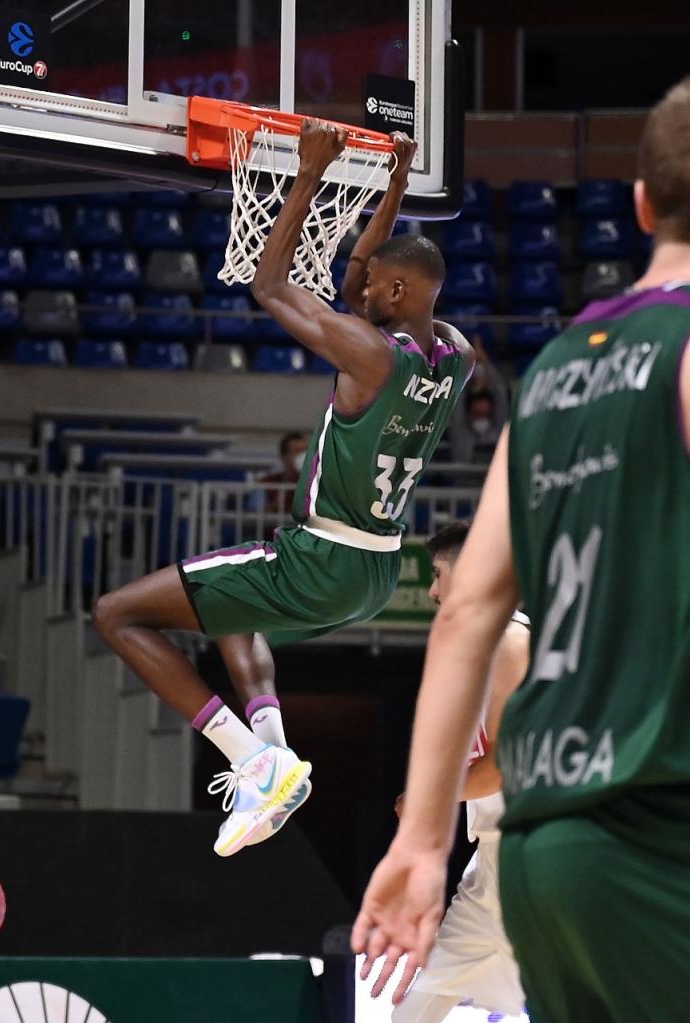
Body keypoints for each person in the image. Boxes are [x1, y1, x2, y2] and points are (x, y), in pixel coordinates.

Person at [352, 76, 690, 1022]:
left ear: (638, 202)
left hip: (550, 856)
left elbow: (466, 610)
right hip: (658, 825)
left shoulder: (551, 373)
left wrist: (421, 838)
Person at [94, 122, 474, 858]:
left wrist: (306, 176)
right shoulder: (453, 353)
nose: (352, 281)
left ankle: (246, 754)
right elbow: (373, 267)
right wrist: (393, 183)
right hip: (374, 572)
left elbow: (271, 286)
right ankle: (271, 744)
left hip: (324, 558)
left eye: (368, 282)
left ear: (395, 290)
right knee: (228, 603)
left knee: (117, 614)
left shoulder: (368, 353)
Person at [391, 521, 528, 1023]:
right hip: (491, 861)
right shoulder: (482, 645)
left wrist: (430, 796)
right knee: (412, 1012)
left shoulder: (510, 641)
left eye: (437, 574)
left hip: (529, 859)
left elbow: (506, 768)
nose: (430, 590)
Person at [257, 431, 310, 516]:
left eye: (306, 451)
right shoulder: (266, 483)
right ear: (284, 457)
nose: (304, 456)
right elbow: (256, 518)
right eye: (297, 452)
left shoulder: (319, 484)